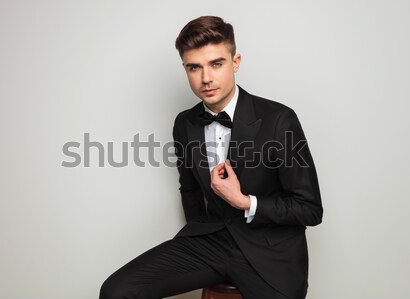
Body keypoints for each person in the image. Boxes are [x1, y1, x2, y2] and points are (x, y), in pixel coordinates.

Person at [99, 16, 323, 299]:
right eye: (194, 67)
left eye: (216, 64)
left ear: (236, 62)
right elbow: (189, 189)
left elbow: (310, 209)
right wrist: (199, 233)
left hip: (270, 251)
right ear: (185, 69)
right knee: (116, 291)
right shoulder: (185, 123)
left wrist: (244, 202)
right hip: (210, 241)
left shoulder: (279, 119)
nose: (206, 78)